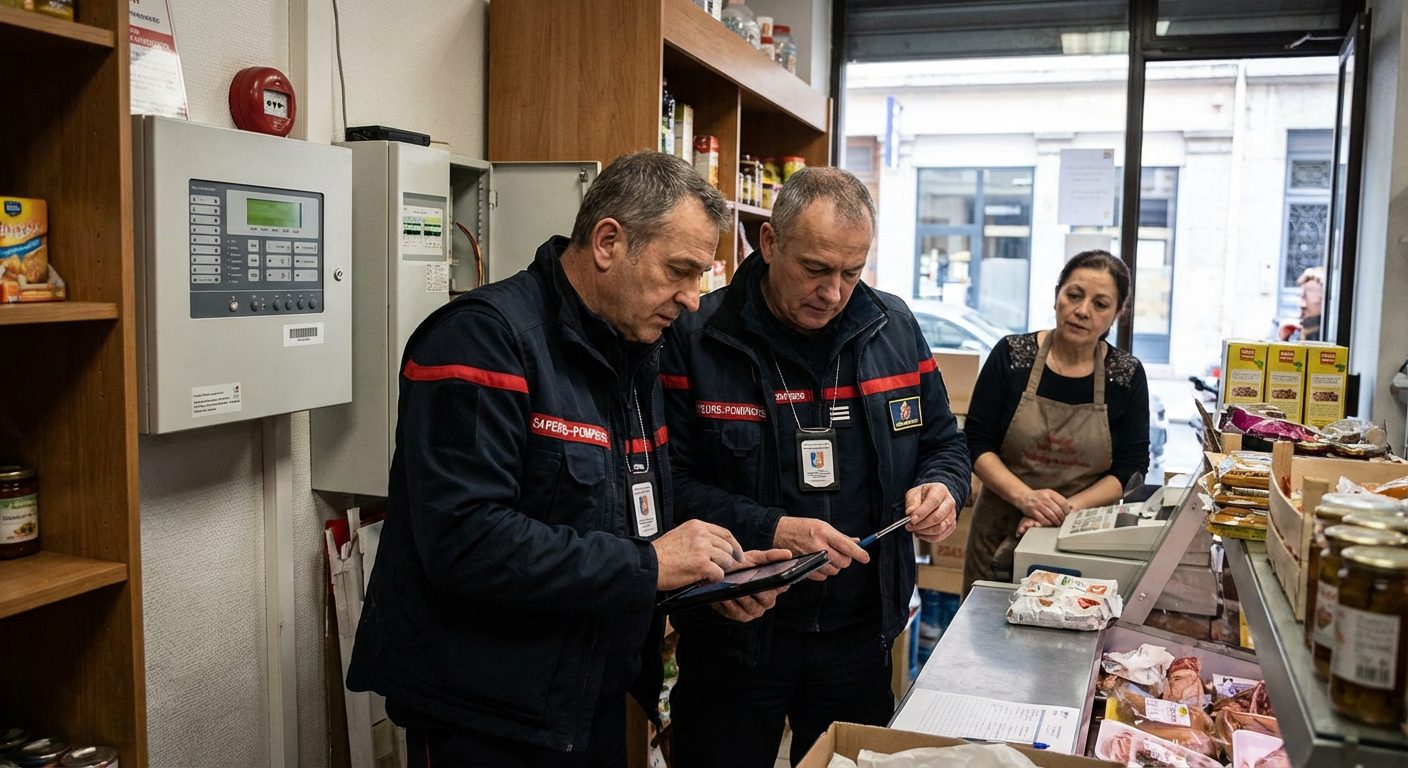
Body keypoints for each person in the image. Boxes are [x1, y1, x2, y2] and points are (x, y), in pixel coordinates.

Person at [347, 151, 793, 768]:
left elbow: (619, 518)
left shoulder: (638, 350)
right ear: (608, 241)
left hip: (588, 699)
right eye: (680, 271)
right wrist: (650, 565)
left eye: (702, 276)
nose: (693, 299)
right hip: (486, 714)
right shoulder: (482, 341)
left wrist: (702, 578)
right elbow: (464, 540)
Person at [660, 167, 973, 766]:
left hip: (858, 638)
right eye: (815, 269)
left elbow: (944, 441)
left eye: (851, 273)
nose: (833, 292)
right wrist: (770, 529)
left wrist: (943, 486)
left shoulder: (894, 327)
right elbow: (666, 485)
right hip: (735, 637)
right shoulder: (695, 336)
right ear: (769, 242)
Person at [961, 250, 1150, 595]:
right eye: (1074, 295)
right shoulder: (1012, 355)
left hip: (1083, 543)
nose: (1082, 311)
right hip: (1000, 533)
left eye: (1100, 304)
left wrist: (1063, 511)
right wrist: (1026, 499)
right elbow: (976, 442)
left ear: (1117, 314)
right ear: (1056, 296)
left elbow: (1131, 470)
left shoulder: (1125, 375)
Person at [1279, 266, 1325, 341]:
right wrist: (1285, 339)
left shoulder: (1327, 334)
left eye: (1306, 297)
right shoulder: (1298, 331)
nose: (1302, 305)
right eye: (1301, 297)